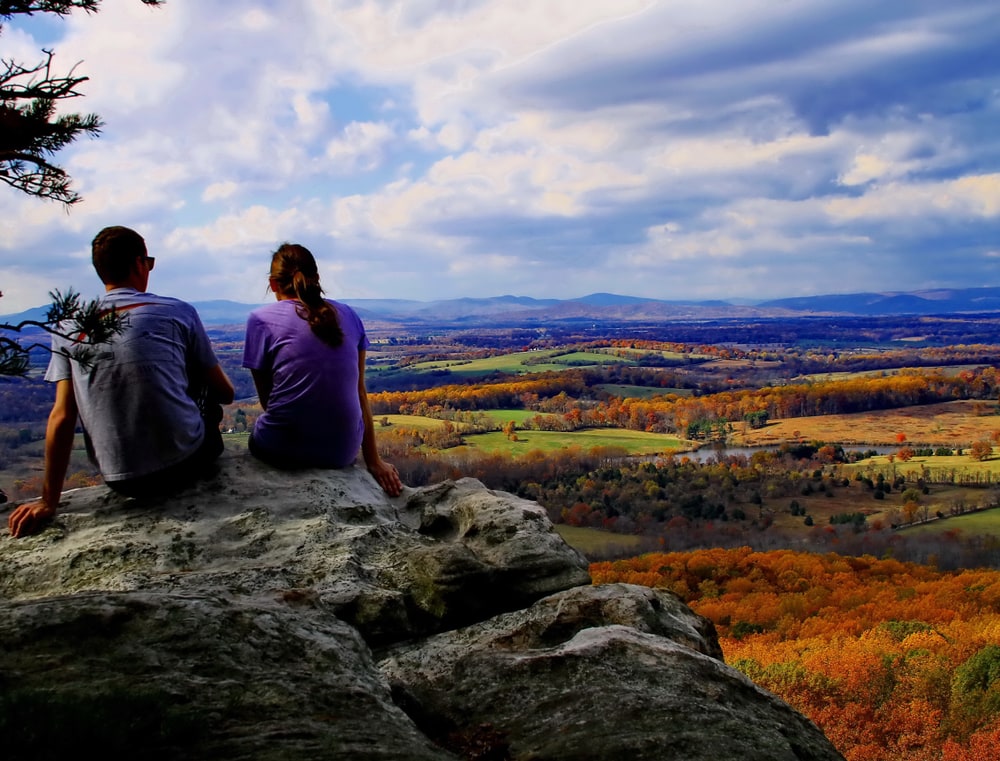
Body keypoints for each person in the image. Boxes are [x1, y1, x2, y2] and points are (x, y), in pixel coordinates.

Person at [7, 226, 235, 538]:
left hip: (120, 478)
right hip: (186, 464)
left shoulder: (69, 326)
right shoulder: (178, 311)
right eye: (149, 262)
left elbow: (62, 415)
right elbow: (225, 393)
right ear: (139, 263)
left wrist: (49, 501)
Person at [242, 243, 402, 497]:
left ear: (273, 284)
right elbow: (359, 392)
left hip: (281, 448)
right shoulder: (349, 315)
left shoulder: (260, 320)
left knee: (256, 435)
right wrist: (374, 461)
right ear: (316, 278)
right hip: (341, 452)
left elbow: (268, 401)